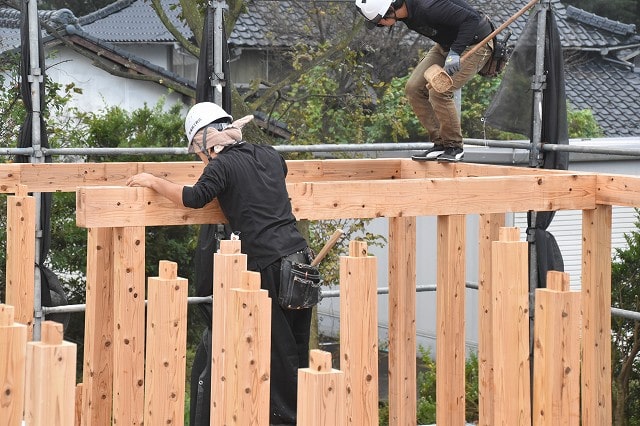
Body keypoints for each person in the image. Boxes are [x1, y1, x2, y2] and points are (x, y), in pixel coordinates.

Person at [126, 102, 312, 426]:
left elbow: (194, 197)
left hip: (270, 265)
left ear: (204, 142)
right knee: (299, 354)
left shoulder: (220, 166)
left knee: (280, 361)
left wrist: (154, 181)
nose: (200, 160)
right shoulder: (266, 153)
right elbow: (278, 170)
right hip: (301, 261)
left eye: (197, 152)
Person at [355, 0, 494, 162]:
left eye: (379, 22)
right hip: (446, 46)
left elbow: (471, 19)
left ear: (390, 10)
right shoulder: (405, 14)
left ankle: (454, 146)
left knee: (440, 91)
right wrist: (452, 50)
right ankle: (440, 143)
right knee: (413, 88)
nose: (381, 25)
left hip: (475, 41)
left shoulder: (427, 7)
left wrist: (456, 52)